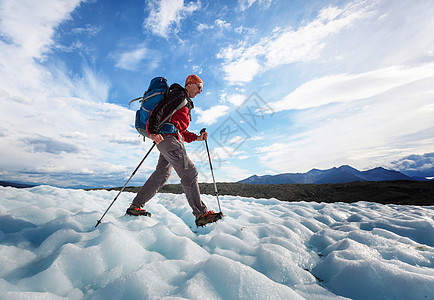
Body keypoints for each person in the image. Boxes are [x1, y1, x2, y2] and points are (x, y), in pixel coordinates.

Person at [126, 74, 222, 227]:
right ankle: (201, 214)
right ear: (189, 84)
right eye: (199, 87)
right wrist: (152, 131)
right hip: (168, 140)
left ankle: (135, 206)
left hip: (171, 139)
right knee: (190, 172)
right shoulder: (179, 94)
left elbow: (181, 131)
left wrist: (198, 137)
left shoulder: (185, 103)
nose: (200, 91)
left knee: (161, 175)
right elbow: (160, 109)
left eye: (201, 89)